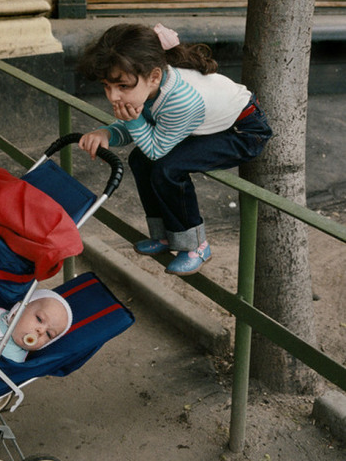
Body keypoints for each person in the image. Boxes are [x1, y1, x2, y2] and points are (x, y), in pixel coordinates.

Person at [77, 23, 272, 276]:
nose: (113, 96)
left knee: (168, 169)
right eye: (106, 86)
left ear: (154, 76)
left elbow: (156, 148)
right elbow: (143, 123)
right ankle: (166, 236)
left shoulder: (181, 99)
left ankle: (196, 245)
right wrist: (107, 133)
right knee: (138, 158)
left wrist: (132, 121)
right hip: (207, 125)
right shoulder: (152, 84)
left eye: (122, 86)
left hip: (243, 132)